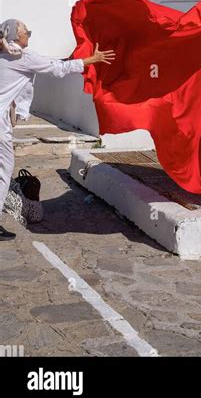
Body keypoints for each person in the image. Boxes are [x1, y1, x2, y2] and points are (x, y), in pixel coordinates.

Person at [0, 19, 115, 240]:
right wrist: (92, 59)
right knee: (4, 171)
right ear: (16, 35)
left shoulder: (4, 54)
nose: (29, 36)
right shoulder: (22, 56)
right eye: (28, 32)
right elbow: (57, 68)